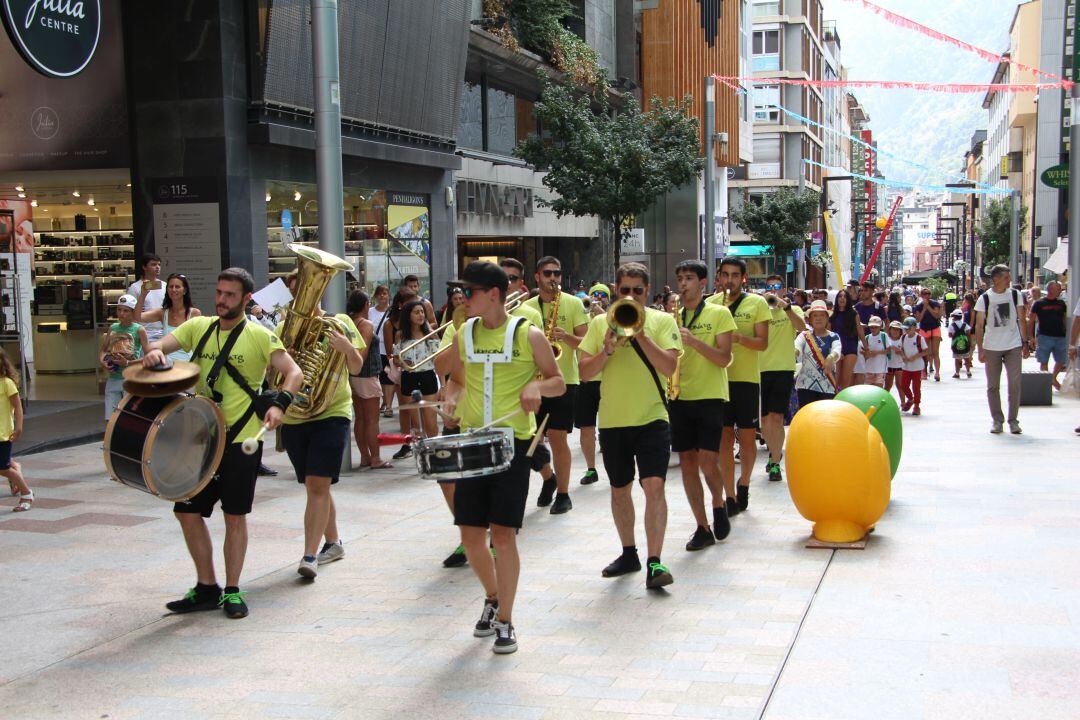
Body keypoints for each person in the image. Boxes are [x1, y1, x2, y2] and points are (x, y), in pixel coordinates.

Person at [143, 268, 303, 619]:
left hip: (241, 438)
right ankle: (206, 587)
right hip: (201, 440)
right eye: (218, 292)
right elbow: (161, 345)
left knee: (234, 517)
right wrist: (154, 352)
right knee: (186, 512)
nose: (221, 300)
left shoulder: (260, 335)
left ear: (246, 299)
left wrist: (280, 403)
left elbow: (294, 373)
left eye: (230, 295)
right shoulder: (199, 328)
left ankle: (231, 590)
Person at [441, 261, 564, 654]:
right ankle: (492, 597)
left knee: (503, 535)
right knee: (471, 535)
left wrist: (535, 386)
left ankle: (507, 620)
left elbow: (558, 382)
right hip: (472, 443)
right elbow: (458, 381)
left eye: (470, 292)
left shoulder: (528, 335)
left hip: (511, 444)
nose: (463, 298)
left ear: (493, 294)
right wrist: (450, 401)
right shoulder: (464, 333)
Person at [580, 262, 681, 588]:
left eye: (638, 290)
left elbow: (668, 367)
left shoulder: (662, 321)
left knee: (654, 486)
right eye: (625, 290)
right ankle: (629, 553)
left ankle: (655, 561)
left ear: (647, 291)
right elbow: (584, 373)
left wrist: (641, 334)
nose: (631, 296)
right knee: (619, 489)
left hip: (652, 417)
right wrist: (607, 350)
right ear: (616, 290)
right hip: (613, 421)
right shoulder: (599, 324)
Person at [275, 295, 364, 580]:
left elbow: (357, 367)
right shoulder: (282, 328)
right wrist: (284, 359)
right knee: (317, 486)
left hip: (332, 411)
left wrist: (348, 347)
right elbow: (270, 376)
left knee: (317, 483)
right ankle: (334, 543)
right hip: (295, 416)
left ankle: (309, 555)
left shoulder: (339, 322)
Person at [670, 260, 735, 550]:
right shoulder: (673, 315)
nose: (684, 284)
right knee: (686, 464)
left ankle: (718, 504)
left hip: (710, 396)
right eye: (680, 279)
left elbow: (724, 358)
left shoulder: (719, 313)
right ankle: (701, 526)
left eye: (689, 279)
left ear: (703, 283)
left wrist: (694, 342)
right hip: (679, 396)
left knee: (708, 463)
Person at [523, 256, 589, 514]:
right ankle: (548, 478)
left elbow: (585, 343)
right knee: (528, 441)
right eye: (548, 273)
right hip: (532, 383)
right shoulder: (526, 306)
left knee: (559, 438)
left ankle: (563, 493)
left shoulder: (572, 304)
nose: (553, 278)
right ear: (537, 276)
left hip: (564, 381)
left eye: (557, 273)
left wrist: (567, 337)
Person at [707, 257, 769, 515]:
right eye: (725, 275)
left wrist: (740, 338)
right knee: (722, 441)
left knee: (746, 439)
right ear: (719, 277)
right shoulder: (709, 304)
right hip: (718, 381)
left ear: (743, 278)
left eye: (735, 275)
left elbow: (763, 343)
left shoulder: (757, 303)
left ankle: (744, 483)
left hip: (746, 380)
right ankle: (730, 495)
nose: (729, 280)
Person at [758, 274, 805, 483]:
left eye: (777, 286)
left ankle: (776, 462)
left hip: (783, 369)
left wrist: (785, 307)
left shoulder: (792, 309)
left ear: (783, 289)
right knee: (765, 422)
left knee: (776, 418)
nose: (773, 290)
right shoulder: (758, 309)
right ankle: (773, 452)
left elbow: (802, 327)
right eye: (769, 287)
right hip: (758, 370)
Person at [974, 265, 1031, 434]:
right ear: (996, 279)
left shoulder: (1015, 295)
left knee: (1015, 383)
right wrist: (980, 349)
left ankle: (1013, 420)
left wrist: (1025, 343)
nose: (1009, 280)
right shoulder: (984, 298)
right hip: (992, 346)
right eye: (1006, 277)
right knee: (993, 386)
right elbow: (979, 325)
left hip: (1013, 344)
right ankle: (997, 420)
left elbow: (1022, 318)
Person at [347, 290, 391, 469]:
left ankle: (365, 456)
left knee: (360, 418)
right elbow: (362, 352)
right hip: (367, 375)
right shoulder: (365, 324)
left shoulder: (350, 322)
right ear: (365, 305)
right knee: (372, 419)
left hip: (353, 376)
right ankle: (375, 458)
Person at [575, 282, 612, 485]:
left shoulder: (615, 317)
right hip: (587, 380)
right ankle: (591, 469)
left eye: (602, 295)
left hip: (608, 379)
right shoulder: (583, 317)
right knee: (586, 426)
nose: (599, 298)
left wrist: (600, 313)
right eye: (594, 295)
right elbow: (577, 344)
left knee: (610, 427)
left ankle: (614, 467)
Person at [394, 299, 442, 440]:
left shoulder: (430, 333)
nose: (421, 315)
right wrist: (402, 362)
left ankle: (434, 449)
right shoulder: (401, 335)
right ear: (408, 315)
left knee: (431, 421)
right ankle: (424, 452)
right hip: (409, 376)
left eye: (422, 312)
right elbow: (396, 358)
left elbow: (438, 356)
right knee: (417, 423)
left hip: (427, 375)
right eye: (416, 312)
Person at [100, 294, 149, 420]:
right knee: (110, 417)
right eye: (119, 309)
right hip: (113, 377)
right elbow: (103, 350)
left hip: (130, 378)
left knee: (129, 417)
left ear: (132, 312)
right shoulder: (113, 328)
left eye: (126, 310)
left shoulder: (139, 330)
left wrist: (127, 363)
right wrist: (102, 361)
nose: (121, 313)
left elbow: (148, 357)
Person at [134, 273, 202, 361]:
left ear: (184, 291)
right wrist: (143, 294)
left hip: (187, 366)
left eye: (177, 287)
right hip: (168, 367)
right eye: (170, 286)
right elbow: (137, 317)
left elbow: (199, 343)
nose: (173, 289)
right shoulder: (162, 313)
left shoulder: (194, 313)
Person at [384, 288, 418, 458]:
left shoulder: (419, 321)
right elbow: (390, 351)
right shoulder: (390, 325)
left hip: (420, 371)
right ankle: (406, 443)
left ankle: (421, 440)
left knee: (420, 408)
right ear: (400, 305)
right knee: (405, 408)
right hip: (402, 371)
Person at [0, 349, 31, 512]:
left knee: (3, 469)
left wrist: (19, 427)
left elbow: (18, 406)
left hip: (3, 434)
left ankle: (26, 493)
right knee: (4, 465)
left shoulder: (6, 383)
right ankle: (15, 467)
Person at [794, 300, 841, 406]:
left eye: (822, 315)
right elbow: (797, 347)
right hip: (805, 385)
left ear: (827, 318)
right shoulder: (804, 335)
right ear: (810, 319)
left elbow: (837, 350)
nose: (818, 318)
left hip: (827, 385)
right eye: (815, 315)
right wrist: (795, 352)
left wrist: (831, 357)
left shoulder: (834, 336)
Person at [1028, 281, 1069, 389]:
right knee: (1043, 360)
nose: (1060, 291)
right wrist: (1031, 337)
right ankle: (1046, 382)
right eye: (1058, 289)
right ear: (1051, 289)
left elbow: (1064, 318)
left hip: (1060, 336)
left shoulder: (1061, 303)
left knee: (1061, 360)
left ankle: (1052, 378)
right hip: (1044, 336)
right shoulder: (1039, 303)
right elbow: (1031, 320)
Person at [368, 285, 395, 418]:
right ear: (375, 296)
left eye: (385, 293)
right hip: (375, 349)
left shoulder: (392, 311)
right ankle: (384, 402)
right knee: (379, 377)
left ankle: (388, 405)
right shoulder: (370, 311)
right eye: (379, 294)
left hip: (389, 348)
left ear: (389, 295)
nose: (382, 296)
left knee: (388, 377)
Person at [829, 289, 863, 391]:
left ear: (848, 299)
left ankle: (843, 403)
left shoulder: (854, 314)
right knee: (835, 379)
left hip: (850, 348)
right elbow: (829, 334)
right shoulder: (832, 316)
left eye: (845, 296)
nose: (842, 298)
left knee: (845, 380)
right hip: (836, 349)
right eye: (840, 296)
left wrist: (866, 348)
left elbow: (860, 331)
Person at [128, 254, 166, 344]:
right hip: (144, 332)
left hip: (164, 331)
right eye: (153, 264)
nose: (157, 267)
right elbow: (130, 313)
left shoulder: (165, 285)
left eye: (159, 265)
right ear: (144, 267)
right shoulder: (135, 287)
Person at [898, 317, 928, 415]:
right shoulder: (903, 337)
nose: (907, 331)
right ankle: (910, 399)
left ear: (914, 327)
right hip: (906, 367)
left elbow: (926, 351)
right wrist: (903, 356)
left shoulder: (919, 338)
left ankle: (916, 405)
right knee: (904, 385)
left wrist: (915, 357)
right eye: (905, 329)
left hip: (917, 367)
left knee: (916, 387)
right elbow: (900, 349)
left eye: (909, 328)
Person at [914, 287, 944, 381]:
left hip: (935, 328)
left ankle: (937, 372)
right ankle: (924, 371)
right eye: (924, 294)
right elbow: (918, 319)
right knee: (926, 352)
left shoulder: (934, 303)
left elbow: (936, 315)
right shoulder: (918, 306)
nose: (926, 295)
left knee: (935, 352)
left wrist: (928, 307)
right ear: (921, 295)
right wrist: (924, 308)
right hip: (924, 329)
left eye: (928, 294)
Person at [860, 316, 889, 387]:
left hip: (880, 369)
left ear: (880, 327)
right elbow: (863, 352)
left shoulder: (884, 336)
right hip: (869, 369)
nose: (873, 329)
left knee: (878, 389)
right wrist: (866, 354)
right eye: (871, 327)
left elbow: (888, 350)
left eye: (876, 327)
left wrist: (876, 353)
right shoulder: (867, 338)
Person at [948, 309, 974, 379]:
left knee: (957, 359)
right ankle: (968, 371)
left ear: (954, 317)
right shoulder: (965, 325)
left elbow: (950, 335)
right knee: (966, 358)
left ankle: (957, 373)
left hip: (956, 345)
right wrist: (969, 342)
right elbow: (968, 333)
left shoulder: (951, 326)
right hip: (965, 345)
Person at [885, 320, 905, 396]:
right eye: (893, 329)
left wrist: (900, 352)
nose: (895, 331)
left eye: (897, 329)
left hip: (900, 366)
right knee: (887, 387)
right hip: (888, 366)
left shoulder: (903, 340)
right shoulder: (887, 339)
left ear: (900, 331)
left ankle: (903, 404)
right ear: (890, 330)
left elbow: (905, 354)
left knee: (900, 386)